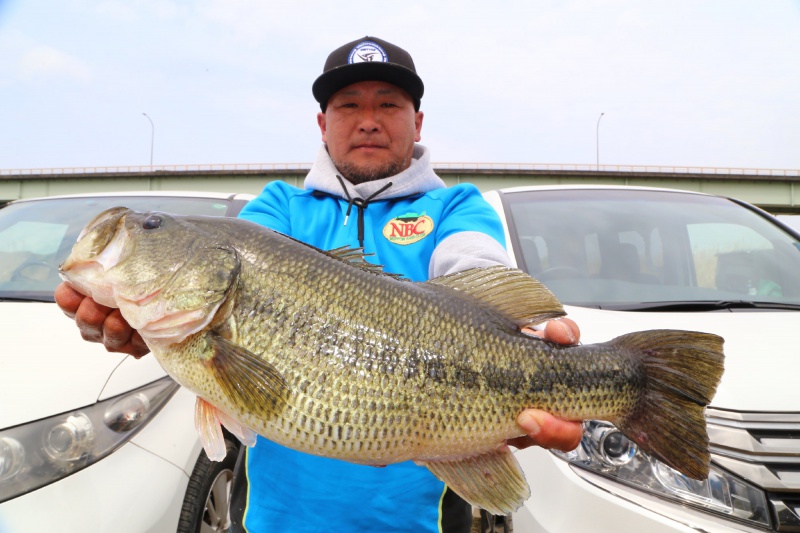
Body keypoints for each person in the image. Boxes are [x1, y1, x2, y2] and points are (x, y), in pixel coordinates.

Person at [55, 36, 582, 532]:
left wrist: (539, 346)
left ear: (417, 122)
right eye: (348, 105)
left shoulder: (455, 207)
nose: (368, 121)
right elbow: (242, 284)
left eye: (389, 105)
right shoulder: (278, 209)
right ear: (322, 122)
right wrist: (140, 323)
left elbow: (472, 269)